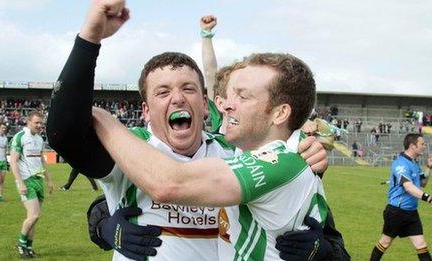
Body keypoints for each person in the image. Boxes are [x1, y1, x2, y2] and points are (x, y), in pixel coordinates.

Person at [47, 1, 329, 260]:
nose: (178, 98)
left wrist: (324, 246)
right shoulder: (130, 147)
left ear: (205, 106)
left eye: (188, 88)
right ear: (146, 111)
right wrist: (89, 38)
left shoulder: (238, 151)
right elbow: (65, 134)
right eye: (163, 91)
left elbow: (170, 183)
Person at [90, 51, 329, 260]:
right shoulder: (248, 152)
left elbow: (170, 183)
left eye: (242, 97)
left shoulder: (279, 162)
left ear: (279, 114)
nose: (225, 105)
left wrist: (102, 119)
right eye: (228, 96)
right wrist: (102, 222)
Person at [370, 133, 432, 261]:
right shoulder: (400, 164)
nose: (425, 146)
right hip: (397, 212)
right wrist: (431, 200)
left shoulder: (414, 163)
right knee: (385, 243)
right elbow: (408, 187)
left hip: (411, 213)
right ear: (412, 146)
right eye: (422, 144)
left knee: (421, 245)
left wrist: (429, 166)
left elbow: (423, 183)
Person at [10, 111, 55, 258]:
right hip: (26, 181)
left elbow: (41, 160)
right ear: (28, 122)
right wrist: (21, 183)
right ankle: (21, 244)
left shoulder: (40, 139)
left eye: (41, 123)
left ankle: (28, 248)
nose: (39, 125)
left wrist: (49, 180)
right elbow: (13, 162)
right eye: (36, 122)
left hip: (38, 180)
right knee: (34, 215)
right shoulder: (20, 137)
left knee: (34, 217)